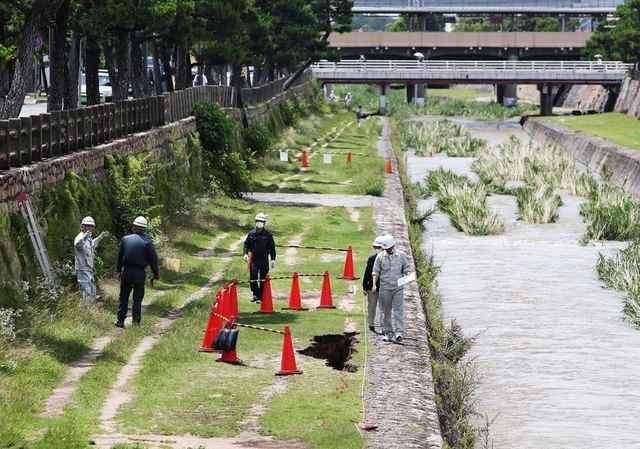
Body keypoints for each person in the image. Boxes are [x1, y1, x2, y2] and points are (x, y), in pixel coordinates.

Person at [114, 216, 160, 328]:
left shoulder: (125, 239)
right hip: (140, 273)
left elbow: (120, 256)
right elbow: (153, 259)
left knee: (124, 296)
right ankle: (136, 322)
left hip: (127, 272)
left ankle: (120, 321)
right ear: (144, 229)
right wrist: (156, 273)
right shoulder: (147, 242)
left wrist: (119, 270)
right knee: (137, 299)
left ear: (134, 227)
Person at [371, 235, 411, 342]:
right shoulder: (380, 257)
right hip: (385, 288)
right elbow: (375, 272)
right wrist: (374, 285)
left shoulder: (401, 255)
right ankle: (388, 332)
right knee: (386, 312)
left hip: (398, 287)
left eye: (389, 248)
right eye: (386, 249)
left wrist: (407, 273)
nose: (388, 250)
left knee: (398, 310)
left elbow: (406, 267)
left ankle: (399, 332)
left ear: (393, 246)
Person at [243, 213, 276, 303]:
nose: (259, 223)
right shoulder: (251, 233)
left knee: (263, 278)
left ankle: (261, 297)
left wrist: (273, 259)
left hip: (264, 259)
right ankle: (255, 294)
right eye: (257, 221)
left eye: (261, 221)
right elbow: (246, 244)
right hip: (254, 259)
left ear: (264, 223)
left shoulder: (268, 235)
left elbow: (272, 248)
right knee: (253, 278)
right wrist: (245, 254)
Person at [74, 216, 109, 301]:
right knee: (86, 292)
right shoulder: (80, 237)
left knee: (93, 291)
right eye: (87, 226)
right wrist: (84, 237)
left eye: (91, 226)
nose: (89, 228)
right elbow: (77, 244)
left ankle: (90, 311)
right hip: (82, 269)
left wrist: (100, 237)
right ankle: (85, 311)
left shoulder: (88, 238)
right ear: (83, 226)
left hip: (89, 269)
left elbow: (91, 245)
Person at [362, 236, 384, 332]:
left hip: (384, 287)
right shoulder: (371, 259)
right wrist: (365, 287)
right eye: (376, 248)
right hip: (373, 288)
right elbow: (367, 273)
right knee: (371, 306)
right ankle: (371, 324)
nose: (377, 250)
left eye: (379, 248)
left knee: (384, 308)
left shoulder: (388, 259)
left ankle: (384, 326)